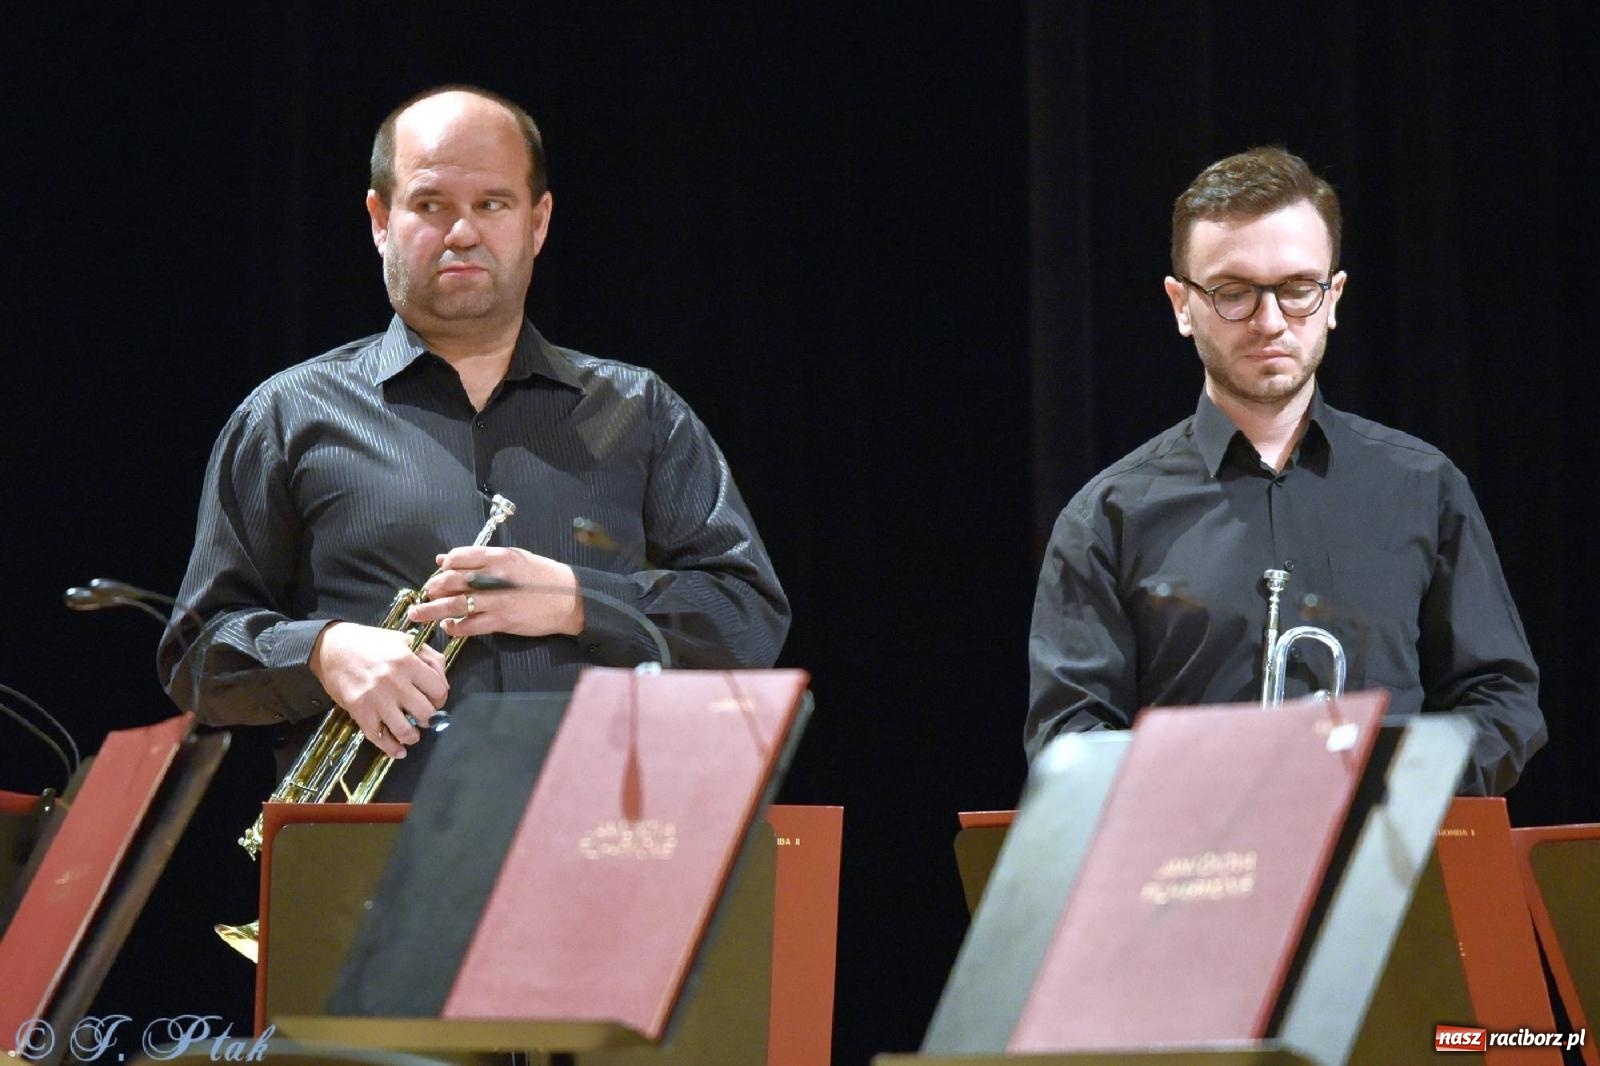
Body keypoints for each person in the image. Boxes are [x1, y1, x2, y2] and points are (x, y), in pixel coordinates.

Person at [160, 85, 789, 782]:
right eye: (431, 205)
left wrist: (582, 601)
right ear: (380, 219)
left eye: (492, 204)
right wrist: (322, 652)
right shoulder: (288, 414)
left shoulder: (640, 411)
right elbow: (197, 656)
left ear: (539, 221)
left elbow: (748, 618)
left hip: (601, 845)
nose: (462, 232)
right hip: (364, 861)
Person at [1026, 146, 1544, 795]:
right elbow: (1070, 740)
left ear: (1334, 296)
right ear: (1182, 304)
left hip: (1391, 881)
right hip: (1195, 880)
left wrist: (1395, 794)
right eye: (1234, 293)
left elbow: (1502, 701)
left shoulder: (1422, 487)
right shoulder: (1108, 516)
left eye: (1298, 289)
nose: (1270, 322)